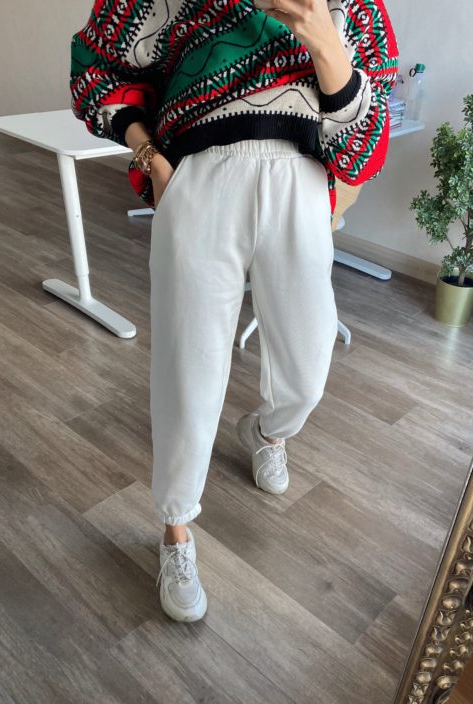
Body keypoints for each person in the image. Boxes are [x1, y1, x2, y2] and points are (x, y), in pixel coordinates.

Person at [70, 0, 399, 623]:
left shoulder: (350, 4)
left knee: (308, 368)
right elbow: (96, 65)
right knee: (188, 370)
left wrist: (324, 40)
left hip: (300, 177)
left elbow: (367, 138)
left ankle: (267, 431)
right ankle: (175, 529)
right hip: (198, 176)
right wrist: (148, 156)